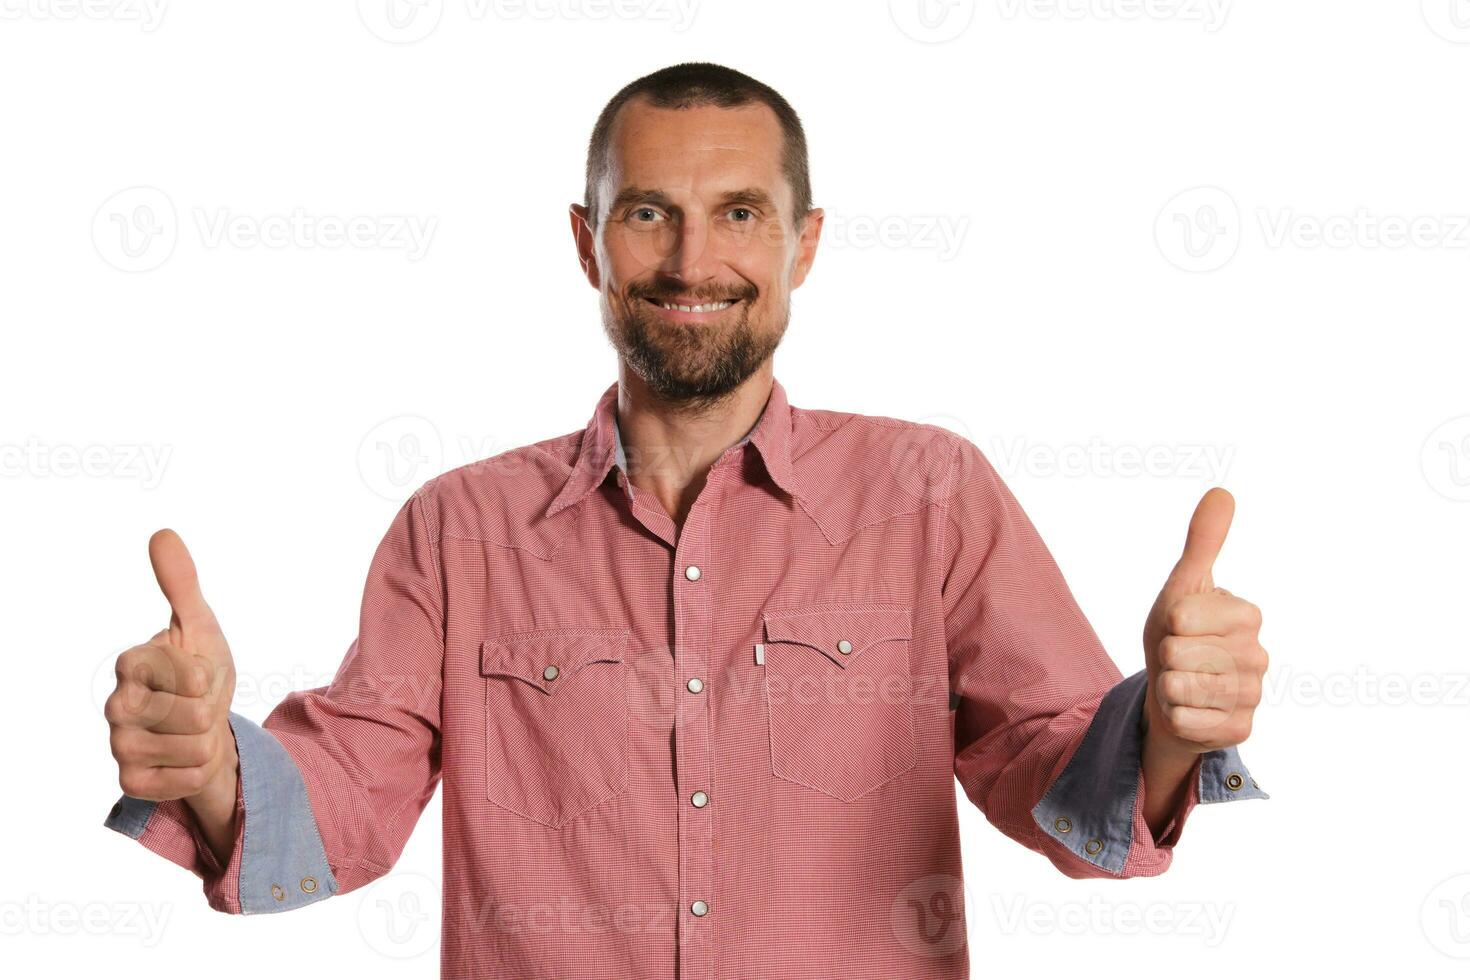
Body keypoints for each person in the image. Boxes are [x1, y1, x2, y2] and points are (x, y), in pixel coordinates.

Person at [104, 60, 1269, 978]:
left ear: (804, 243)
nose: (693, 257)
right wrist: (209, 768)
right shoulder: (457, 529)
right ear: (587, 241)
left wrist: (1167, 730)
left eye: (742, 213)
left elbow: (1060, 796)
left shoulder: (931, 495)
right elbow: (347, 804)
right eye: (650, 211)